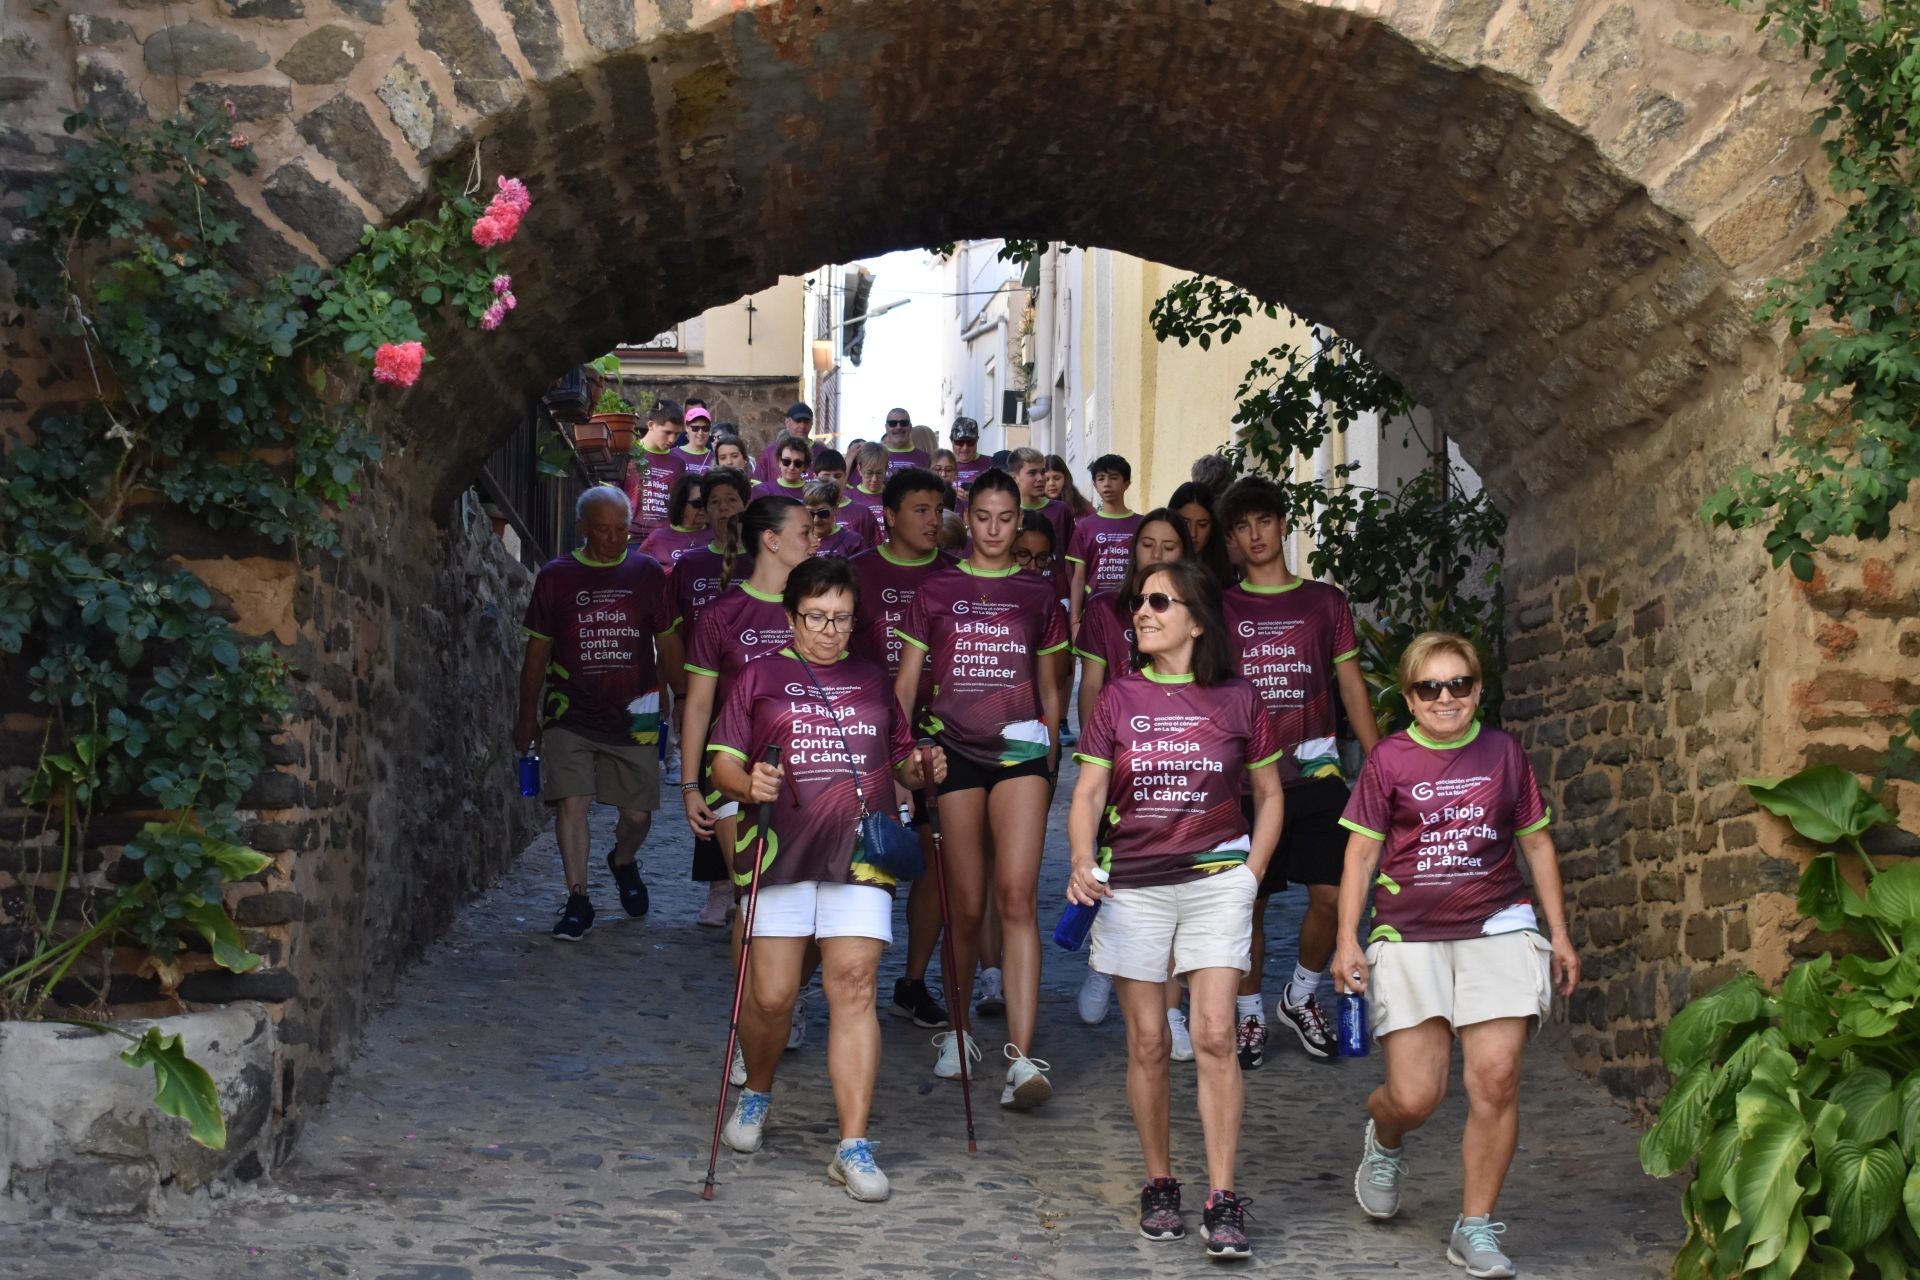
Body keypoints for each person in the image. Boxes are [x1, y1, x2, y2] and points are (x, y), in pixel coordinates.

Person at [1335, 631, 1577, 1279]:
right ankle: (1385, 1137)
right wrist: (1345, 938)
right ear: (1410, 698)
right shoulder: (1387, 761)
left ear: (1477, 690)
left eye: (1459, 684)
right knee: (1416, 1096)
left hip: (1499, 927)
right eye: (1429, 687)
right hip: (1407, 934)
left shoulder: (1504, 753)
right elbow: (1360, 854)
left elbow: (1538, 846)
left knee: (1496, 1077)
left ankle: (1475, 1226)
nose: (1446, 697)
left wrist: (1558, 932)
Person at [712, 555, 947, 1202]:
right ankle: (758, 1090)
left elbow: (901, 762)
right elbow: (722, 763)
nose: (829, 630)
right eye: (816, 617)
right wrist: (746, 780)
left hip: (860, 856)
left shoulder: (873, 681)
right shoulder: (759, 677)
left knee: (854, 986)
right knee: (773, 998)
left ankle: (853, 1144)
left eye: (841, 618)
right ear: (791, 616)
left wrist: (923, 767)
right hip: (780, 855)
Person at [1068, 559, 1282, 1259]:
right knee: (1151, 1041)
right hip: (1134, 883)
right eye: (1138, 601)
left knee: (1216, 1033)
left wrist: (1250, 874)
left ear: (1195, 617)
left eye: (1159, 601)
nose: (1142, 612)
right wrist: (1079, 860)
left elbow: (1271, 795)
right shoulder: (1117, 699)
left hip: (1218, 879)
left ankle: (1224, 1195)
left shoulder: (1239, 698)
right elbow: (1090, 795)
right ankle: (1160, 1181)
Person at [895, 468, 1066, 1109]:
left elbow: (1053, 684)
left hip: (1021, 751)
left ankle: (1023, 1059)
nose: (994, 529)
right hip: (952, 753)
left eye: (1006, 518)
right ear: (965, 520)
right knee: (965, 905)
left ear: (1019, 522)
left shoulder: (1039, 594)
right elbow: (906, 683)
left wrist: (1051, 751)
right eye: (983, 517)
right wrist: (901, 757)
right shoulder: (935, 589)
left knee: (1016, 898)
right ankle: (959, 1030)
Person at [1219, 475, 1381, 1068]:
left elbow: (1350, 683)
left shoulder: (1325, 602)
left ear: (1283, 524)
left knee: (1336, 897)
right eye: (1242, 526)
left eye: (1263, 521)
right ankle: (1251, 1013)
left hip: (1316, 772)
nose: (1254, 534)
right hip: (1244, 780)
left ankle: (1301, 996)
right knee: (1248, 904)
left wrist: (1380, 756)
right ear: (1233, 537)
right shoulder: (1220, 606)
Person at [515, 486, 685, 939]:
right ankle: (578, 899)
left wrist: (682, 696)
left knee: (637, 816)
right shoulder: (556, 576)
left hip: (637, 709)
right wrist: (525, 715)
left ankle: (623, 860)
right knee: (573, 802)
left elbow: (667, 640)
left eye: (621, 530)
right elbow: (537, 652)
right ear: (582, 529)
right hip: (568, 710)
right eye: (603, 531)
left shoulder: (648, 572)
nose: (613, 539)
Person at [1069, 510, 1196, 1026]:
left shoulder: (1194, 610)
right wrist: (1096, 752)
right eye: (1148, 544)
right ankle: (1107, 964)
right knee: (1113, 869)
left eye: (1169, 546)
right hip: (1119, 758)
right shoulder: (1104, 609)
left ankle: (1170, 1014)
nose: (1158, 555)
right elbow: (1092, 686)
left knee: (1172, 882)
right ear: (1132, 550)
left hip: (1180, 764)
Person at [681, 497, 821, 943]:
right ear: (771, 540)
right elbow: (700, 705)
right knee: (754, 897)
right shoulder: (722, 614)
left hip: (812, 772)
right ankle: (760, 1010)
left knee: (807, 902)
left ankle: (789, 998)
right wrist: (689, 786)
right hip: (733, 773)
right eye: (805, 531)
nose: (817, 539)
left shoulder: (823, 610)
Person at [849, 467, 958, 1029]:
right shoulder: (856, 574)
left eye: (938, 509)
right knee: (865, 859)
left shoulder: (955, 575)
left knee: (933, 862)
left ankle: (912, 982)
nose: (932, 519)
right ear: (888, 515)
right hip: (865, 739)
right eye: (920, 509)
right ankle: (843, 981)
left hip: (941, 737)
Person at [667, 467, 751, 926]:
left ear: (745, 507)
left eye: (729, 502)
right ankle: (720, 887)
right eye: (712, 503)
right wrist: (681, 692)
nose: (720, 511)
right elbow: (672, 632)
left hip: (752, 697)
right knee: (709, 786)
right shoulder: (691, 565)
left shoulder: (761, 562)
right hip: (707, 696)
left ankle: (751, 882)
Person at [1066, 454, 1142, 631]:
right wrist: (1075, 621)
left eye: (1114, 478)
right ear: (1094, 484)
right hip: (1094, 612)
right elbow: (1078, 577)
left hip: (1132, 612)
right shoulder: (1085, 526)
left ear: (1127, 483)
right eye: (1101, 478)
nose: (1107, 484)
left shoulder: (1142, 524)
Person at [1008, 447, 1073, 603]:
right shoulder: (1007, 512)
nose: (1040, 478)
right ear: (1015, 477)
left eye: (1042, 472)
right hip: (1015, 595)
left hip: (1056, 596)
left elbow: (1071, 559)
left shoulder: (1060, 510)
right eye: (1032, 473)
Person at [623, 399, 686, 540]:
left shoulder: (678, 463)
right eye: (667, 432)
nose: (672, 439)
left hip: (664, 539)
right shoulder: (627, 454)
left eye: (677, 434)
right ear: (651, 425)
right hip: (629, 537)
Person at [637, 471, 710, 572]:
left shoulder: (718, 535)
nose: (703, 507)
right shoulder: (657, 538)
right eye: (697, 503)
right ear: (681, 504)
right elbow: (638, 571)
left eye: (707, 502)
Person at [1169, 480, 1234, 590]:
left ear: (1213, 528)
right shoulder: (1157, 574)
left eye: (1202, 525)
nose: (1192, 533)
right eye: (1185, 522)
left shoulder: (1226, 581)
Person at [812, 448, 880, 547]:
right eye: (826, 476)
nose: (832, 481)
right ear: (815, 477)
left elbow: (874, 553)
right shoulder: (805, 513)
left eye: (837, 476)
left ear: (845, 477)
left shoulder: (863, 514)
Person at [754, 401, 824, 480]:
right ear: (787, 422)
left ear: (812, 423)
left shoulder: (823, 453)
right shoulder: (770, 453)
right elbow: (756, 485)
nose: (802, 426)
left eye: (806, 422)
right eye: (798, 421)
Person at [806, 477, 868, 557]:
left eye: (823, 513)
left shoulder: (853, 541)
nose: (816, 520)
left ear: (835, 508)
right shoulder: (798, 540)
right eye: (810, 513)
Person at [753, 435, 813, 501]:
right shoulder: (762, 491)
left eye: (797, 463)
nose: (791, 467)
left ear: (805, 466)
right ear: (779, 462)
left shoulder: (813, 492)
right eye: (786, 461)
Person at [879, 408, 932, 473]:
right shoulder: (875, 458)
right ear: (886, 427)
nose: (898, 427)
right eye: (893, 423)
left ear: (910, 427)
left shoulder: (927, 459)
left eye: (904, 423)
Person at [846, 442, 889, 520]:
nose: (874, 479)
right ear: (859, 469)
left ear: (886, 468)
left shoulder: (893, 496)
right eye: (869, 473)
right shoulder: (848, 497)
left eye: (879, 473)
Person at [1046, 453, 1095, 518]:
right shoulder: (1033, 509)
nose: (1051, 483)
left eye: (1057, 478)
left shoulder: (1084, 508)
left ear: (1066, 478)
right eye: (1046, 479)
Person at [950, 418, 988, 492]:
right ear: (952, 441)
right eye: (960, 442)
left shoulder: (991, 463)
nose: (965, 448)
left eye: (970, 442)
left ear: (977, 440)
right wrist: (950, 493)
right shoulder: (942, 465)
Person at [677, 403, 714, 473]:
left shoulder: (714, 458)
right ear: (687, 428)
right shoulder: (674, 454)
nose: (700, 432)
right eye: (695, 428)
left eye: (705, 428)